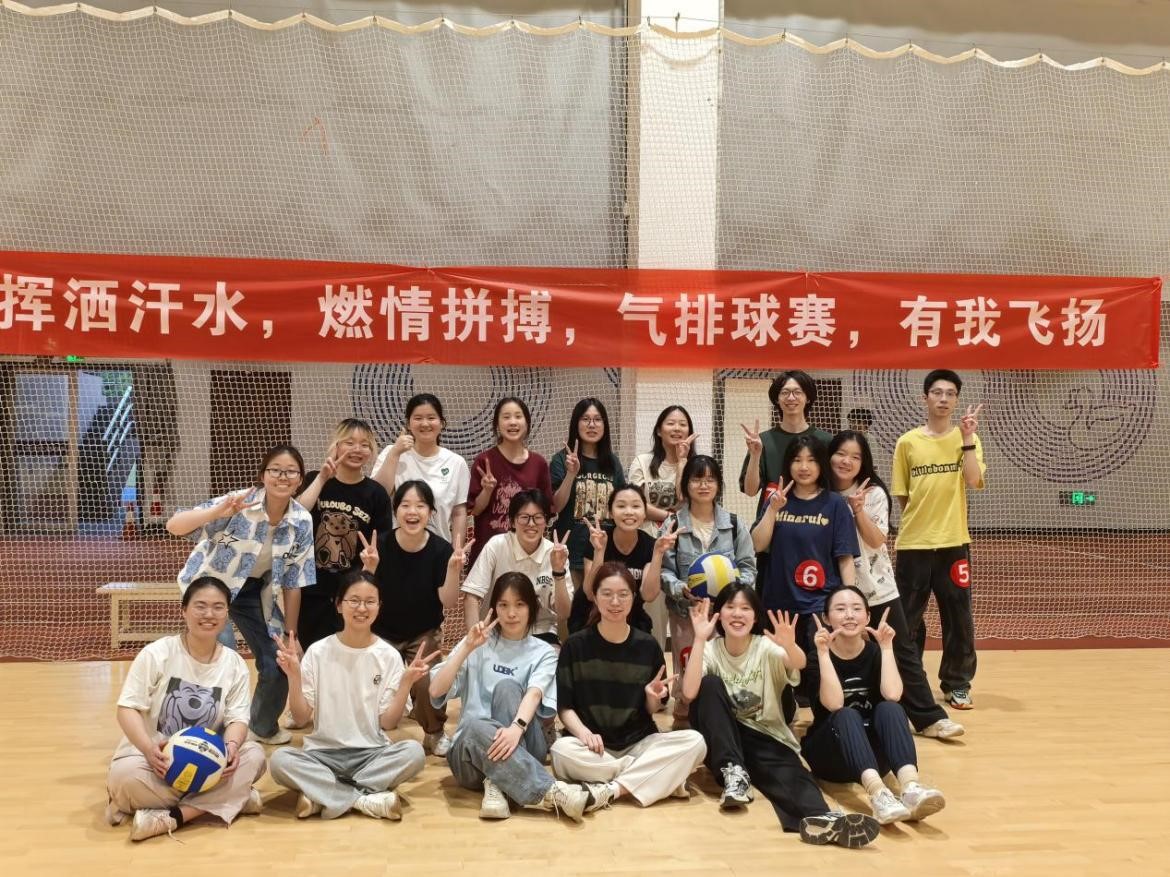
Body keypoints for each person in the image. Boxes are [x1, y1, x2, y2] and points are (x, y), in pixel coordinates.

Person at [681, 584, 880, 848]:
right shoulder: (710, 649)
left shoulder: (765, 646)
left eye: (745, 608)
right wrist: (698, 639)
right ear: (719, 614)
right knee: (708, 685)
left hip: (764, 734)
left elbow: (797, 663)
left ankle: (823, 820)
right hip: (723, 736)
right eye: (730, 607)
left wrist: (789, 644)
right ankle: (734, 775)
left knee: (792, 775)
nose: (737, 614)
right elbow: (689, 692)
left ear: (755, 616)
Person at [167, 444, 315, 744]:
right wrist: (218, 511)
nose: (282, 477)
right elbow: (174, 526)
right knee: (218, 657)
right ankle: (207, 733)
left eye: (291, 472)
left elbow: (294, 581)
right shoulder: (239, 501)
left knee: (279, 659)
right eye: (275, 470)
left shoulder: (301, 521)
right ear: (263, 475)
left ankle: (261, 726)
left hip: (254, 591)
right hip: (210, 587)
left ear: (300, 479)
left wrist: (291, 634)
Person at [106, 576, 267, 841]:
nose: (209, 614)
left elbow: (238, 719)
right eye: (200, 606)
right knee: (124, 778)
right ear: (184, 610)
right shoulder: (157, 653)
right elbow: (127, 709)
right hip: (156, 762)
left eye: (218, 607)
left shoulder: (235, 664)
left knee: (255, 756)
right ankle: (230, 798)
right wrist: (148, 749)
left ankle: (174, 816)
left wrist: (232, 747)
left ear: (227, 613)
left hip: (208, 765)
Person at [828, 430, 965, 740]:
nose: (846, 461)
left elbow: (877, 539)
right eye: (841, 454)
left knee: (901, 650)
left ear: (864, 462)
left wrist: (857, 509)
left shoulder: (873, 493)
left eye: (855, 457)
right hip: (835, 591)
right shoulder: (822, 494)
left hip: (877, 588)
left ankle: (930, 718)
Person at [429, 572, 591, 823]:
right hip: (471, 755)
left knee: (507, 687)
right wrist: (466, 648)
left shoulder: (544, 652)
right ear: (494, 608)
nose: (511, 613)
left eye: (519, 604)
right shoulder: (477, 642)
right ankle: (550, 791)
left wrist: (516, 728)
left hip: (523, 742)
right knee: (473, 726)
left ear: (532, 608)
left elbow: (534, 694)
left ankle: (497, 783)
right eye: (503, 605)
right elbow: (435, 691)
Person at [269, 571, 428, 821]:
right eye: (354, 600)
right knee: (280, 761)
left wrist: (406, 684)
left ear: (379, 607)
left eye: (370, 601)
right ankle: (364, 800)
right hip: (322, 754)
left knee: (414, 753)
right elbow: (300, 718)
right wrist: (294, 676)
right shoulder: (318, 652)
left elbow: (388, 723)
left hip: (371, 754)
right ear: (339, 605)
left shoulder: (389, 656)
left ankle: (323, 795)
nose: (361, 608)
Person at [551, 563, 707, 809]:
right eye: (607, 594)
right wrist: (583, 734)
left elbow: (652, 709)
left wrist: (652, 698)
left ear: (633, 598)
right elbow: (565, 708)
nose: (615, 602)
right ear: (595, 597)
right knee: (561, 751)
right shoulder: (575, 646)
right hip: (592, 746)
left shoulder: (648, 646)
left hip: (638, 744)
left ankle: (611, 789)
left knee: (695, 741)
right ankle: (655, 776)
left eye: (623, 594)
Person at [802, 587, 948, 825]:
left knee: (891, 708)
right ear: (826, 618)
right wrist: (824, 653)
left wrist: (887, 647)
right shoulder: (817, 657)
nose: (849, 615)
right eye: (840, 609)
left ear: (868, 617)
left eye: (856, 609)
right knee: (846, 714)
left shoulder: (876, 652)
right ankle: (878, 794)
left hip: (873, 756)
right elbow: (834, 704)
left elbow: (893, 694)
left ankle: (910, 787)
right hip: (831, 755)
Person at [891, 369, 986, 709]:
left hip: (953, 543)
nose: (943, 399)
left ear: (956, 400)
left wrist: (967, 439)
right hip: (913, 544)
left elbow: (973, 480)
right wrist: (921, 522)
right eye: (937, 392)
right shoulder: (908, 442)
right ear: (925, 398)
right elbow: (903, 494)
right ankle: (907, 682)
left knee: (959, 617)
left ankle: (957, 683)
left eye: (950, 394)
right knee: (907, 619)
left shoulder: (968, 439)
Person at [360, 480, 471, 757]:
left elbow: (448, 601)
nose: (412, 511)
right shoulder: (380, 545)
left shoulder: (441, 550)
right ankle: (369, 733)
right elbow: (363, 596)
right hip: (381, 632)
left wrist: (454, 570)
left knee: (426, 682)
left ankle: (434, 732)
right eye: (405, 505)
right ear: (396, 510)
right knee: (372, 681)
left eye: (420, 505)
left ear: (431, 512)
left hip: (424, 632)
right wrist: (369, 568)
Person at [660, 455, 756, 723]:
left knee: (724, 672)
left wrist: (733, 594)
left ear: (718, 485)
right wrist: (681, 589)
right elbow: (663, 570)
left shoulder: (734, 524)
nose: (703, 485)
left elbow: (749, 567)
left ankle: (723, 717)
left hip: (726, 617)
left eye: (710, 480)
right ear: (686, 484)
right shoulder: (673, 524)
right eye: (697, 479)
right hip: (686, 614)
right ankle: (686, 715)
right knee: (687, 687)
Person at [751, 435, 858, 657]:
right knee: (782, 668)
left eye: (811, 460)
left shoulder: (835, 503)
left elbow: (845, 558)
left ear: (821, 464)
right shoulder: (777, 500)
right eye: (797, 460)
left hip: (819, 605)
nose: (804, 467)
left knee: (816, 668)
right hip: (779, 605)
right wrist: (772, 509)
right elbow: (758, 545)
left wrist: (850, 600)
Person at [295, 418, 391, 651]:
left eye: (365, 444)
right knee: (311, 658)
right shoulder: (315, 479)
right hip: (311, 591)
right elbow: (296, 514)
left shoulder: (376, 494)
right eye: (349, 442)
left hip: (351, 595)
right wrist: (322, 478)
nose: (357, 449)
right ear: (336, 446)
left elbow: (382, 544)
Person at [739, 371, 832, 595]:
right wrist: (755, 455)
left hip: (813, 537)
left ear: (808, 398)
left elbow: (833, 488)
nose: (791, 398)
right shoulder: (763, 441)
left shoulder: (826, 441)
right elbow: (750, 491)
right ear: (777, 399)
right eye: (785, 392)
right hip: (772, 537)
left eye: (797, 392)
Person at [462, 489, 571, 646]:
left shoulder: (556, 553)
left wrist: (558, 572)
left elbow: (564, 613)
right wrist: (474, 643)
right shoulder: (496, 545)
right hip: (496, 629)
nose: (531, 524)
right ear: (512, 521)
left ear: (546, 521)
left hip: (540, 631)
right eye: (524, 517)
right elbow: (471, 596)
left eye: (538, 517)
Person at [568, 485, 675, 635]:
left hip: (629, 615)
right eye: (621, 506)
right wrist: (599, 551)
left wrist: (658, 554)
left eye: (636, 506)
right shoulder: (598, 540)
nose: (629, 512)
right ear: (611, 512)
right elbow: (590, 594)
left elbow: (649, 595)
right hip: (591, 615)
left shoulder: (651, 545)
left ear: (645, 513)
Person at [549, 397, 626, 596]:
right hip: (571, 552)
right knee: (573, 611)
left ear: (604, 425)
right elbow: (556, 506)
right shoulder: (561, 460)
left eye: (597, 419)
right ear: (576, 424)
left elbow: (621, 506)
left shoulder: (613, 463)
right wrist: (571, 474)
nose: (592, 425)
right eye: (585, 419)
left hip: (604, 552)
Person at [372, 392, 470, 544]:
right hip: (395, 548)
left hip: (439, 550)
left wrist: (457, 550)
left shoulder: (456, 462)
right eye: (418, 418)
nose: (425, 424)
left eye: (431, 418)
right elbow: (378, 496)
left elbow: (459, 513)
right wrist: (395, 453)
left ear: (442, 423)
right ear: (408, 424)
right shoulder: (391, 452)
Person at [467, 397, 553, 565]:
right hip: (489, 554)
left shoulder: (539, 463)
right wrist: (487, 490)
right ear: (497, 425)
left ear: (527, 423)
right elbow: (475, 510)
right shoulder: (484, 461)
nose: (513, 422)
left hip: (527, 554)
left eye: (518, 416)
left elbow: (546, 512)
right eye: (506, 417)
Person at [627, 405, 699, 528]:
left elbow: (683, 498)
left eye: (682, 424)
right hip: (646, 535)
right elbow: (634, 503)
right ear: (659, 431)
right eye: (671, 423)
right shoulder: (642, 462)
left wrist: (682, 461)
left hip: (682, 535)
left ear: (689, 432)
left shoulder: (697, 466)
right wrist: (670, 517)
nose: (677, 428)